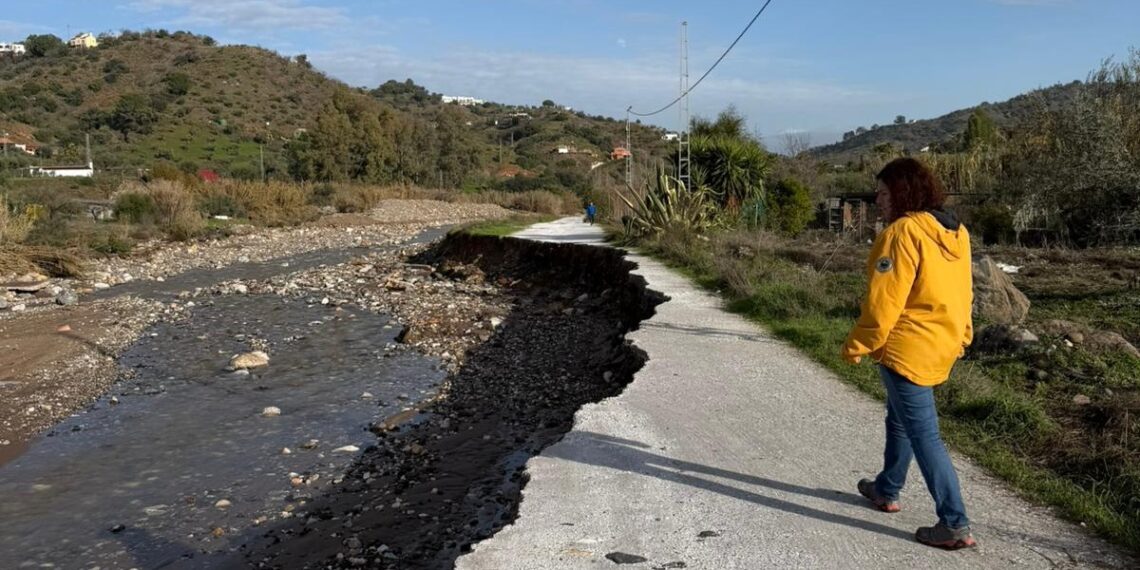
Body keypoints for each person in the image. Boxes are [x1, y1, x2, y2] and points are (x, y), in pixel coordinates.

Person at [841, 157, 977, 550]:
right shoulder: (955, 232)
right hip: (942, 343)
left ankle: (954, 522)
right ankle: (887, 487)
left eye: (883, 193)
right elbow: (963, 291)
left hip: (907, 348)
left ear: (901, 192)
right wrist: (964, 334)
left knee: (925, 435)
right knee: (899, 417)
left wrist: (858, 344)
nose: (878, 200)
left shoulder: (901, 233)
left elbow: (884, 302)